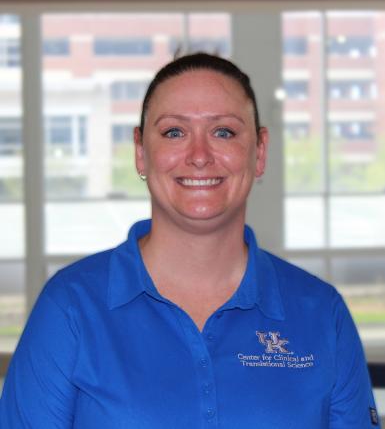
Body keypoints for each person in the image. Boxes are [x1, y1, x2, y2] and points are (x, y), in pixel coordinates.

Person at [0, 53, 380, 428]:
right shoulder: (71, 306)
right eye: (174, 132)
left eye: (223, 132)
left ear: (259, 152)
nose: (199, 156)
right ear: (140, 152)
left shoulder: (321, 313)